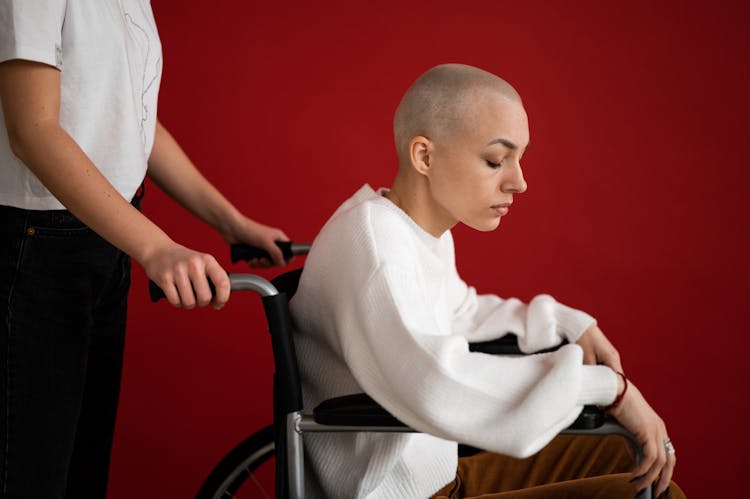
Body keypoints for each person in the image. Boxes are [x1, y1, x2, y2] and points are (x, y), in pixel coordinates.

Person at [290, 64, 684, 498]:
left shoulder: (410, 231)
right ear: (424, 156)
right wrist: (609, 389)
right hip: (406, 493)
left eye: (519, 159)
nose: (519, 182)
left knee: (630, 459)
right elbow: (436, 381)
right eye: (496, 160)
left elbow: (462, 310)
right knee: (650, 492)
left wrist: (568, 324)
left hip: (444, 478)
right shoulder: (375, 245)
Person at [0, 1, 289, 497]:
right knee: (30, 479)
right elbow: (33, 132)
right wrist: (156, 247)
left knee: (82, 475)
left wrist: (232, 224)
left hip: (108, 239)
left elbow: (132, 121)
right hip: (40, 248)